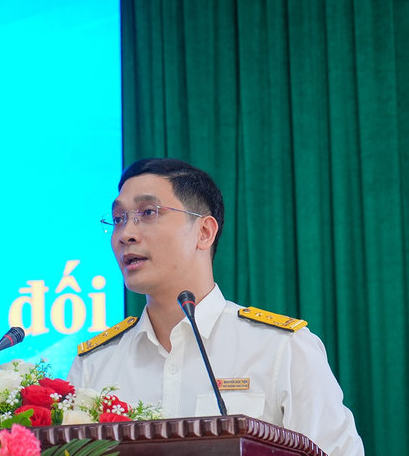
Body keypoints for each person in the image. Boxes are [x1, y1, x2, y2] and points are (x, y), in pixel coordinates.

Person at [67, 158, 363, 456]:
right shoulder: (95, 365)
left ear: (204, 232)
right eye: (118, 218)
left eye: (148, 213)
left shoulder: (281, 350)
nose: (125, 234)